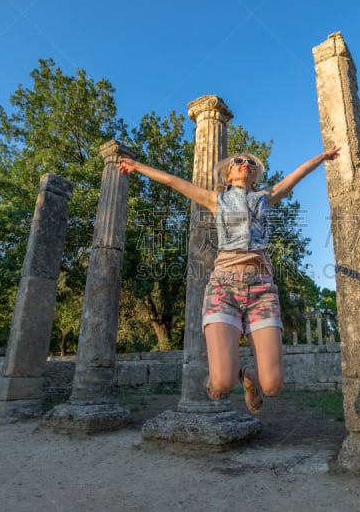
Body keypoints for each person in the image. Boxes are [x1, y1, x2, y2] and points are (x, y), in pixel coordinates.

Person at [117, 146, 340, 413]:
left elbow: (298, 174)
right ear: (228, 173)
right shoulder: (216, 199)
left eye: (250, 163)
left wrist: (322, 156)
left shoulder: (264, 198)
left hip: (262, 291)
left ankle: (248, 375)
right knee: (221, 382)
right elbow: (173, 181)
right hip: (224, 288)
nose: (245, 163)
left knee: (273, 386)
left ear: (255, 175)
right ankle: (229, 373)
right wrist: (137, 167)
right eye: (239, 161)